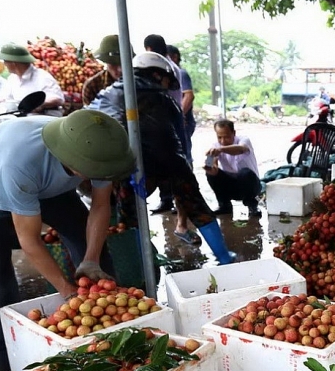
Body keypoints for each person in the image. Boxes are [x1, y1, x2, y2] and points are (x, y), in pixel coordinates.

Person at [0, 110, 135, 371]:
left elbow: (100, 207)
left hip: (52, 188)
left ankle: (113, 326)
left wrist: (91, 259)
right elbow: (29, 240)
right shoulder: (21, 163)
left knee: (92, 249)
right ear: (74, 164)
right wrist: (65, 289)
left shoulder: (98, 150)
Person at [91, 52, 236, 263]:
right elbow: (181, 139)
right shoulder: (165, 100)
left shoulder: (108, 95)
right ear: (156, 74)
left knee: (130, 218)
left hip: (130, 168)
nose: (167, 85)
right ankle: (223, 256)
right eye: (166, 80)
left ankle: (144, 264)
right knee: (196, 206)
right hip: (172, 163)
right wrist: (184, 165)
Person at [144, 34, 185, 214]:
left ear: (149, 49)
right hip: (171, 119)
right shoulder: (172, 66)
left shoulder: (161, 67)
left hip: (165, 121)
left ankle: (174, 201)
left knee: (172, 162)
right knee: (175, 162)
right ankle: (173, 200)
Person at [0, 43, 64, 115]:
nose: (5, 64)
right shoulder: (12, 79)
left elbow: (57, 99)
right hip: (24, 120)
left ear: (13, 63)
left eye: (5, 61)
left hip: (44, 120)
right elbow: (8, 100)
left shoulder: (42, 77)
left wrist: (40, 104)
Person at [204, 119, 262, 218]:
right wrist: (211, 169)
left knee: (245, 173)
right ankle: (224, 205)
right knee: (211, 174)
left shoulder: (244, 140)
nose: (223, 141)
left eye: (226, 137)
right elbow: (211, 164)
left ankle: (252, 206)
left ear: (233, 133)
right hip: (232, 186)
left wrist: (221, 149)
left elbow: (240, 149)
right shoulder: (215, 146)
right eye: (219, 137)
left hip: (251, 185)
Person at [166, 45, 195, 164]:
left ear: (174, 57)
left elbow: (189, 96)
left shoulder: (180, 73)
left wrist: (179, 115)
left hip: (183, 122)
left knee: (184, 155)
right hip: (178, 121)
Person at [83, 34, 131, 107]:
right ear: (106, 62)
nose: (119, 69)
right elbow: (89, 113)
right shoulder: (92, 86)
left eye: (123, 64)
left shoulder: (140, 83)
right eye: (114, 64)